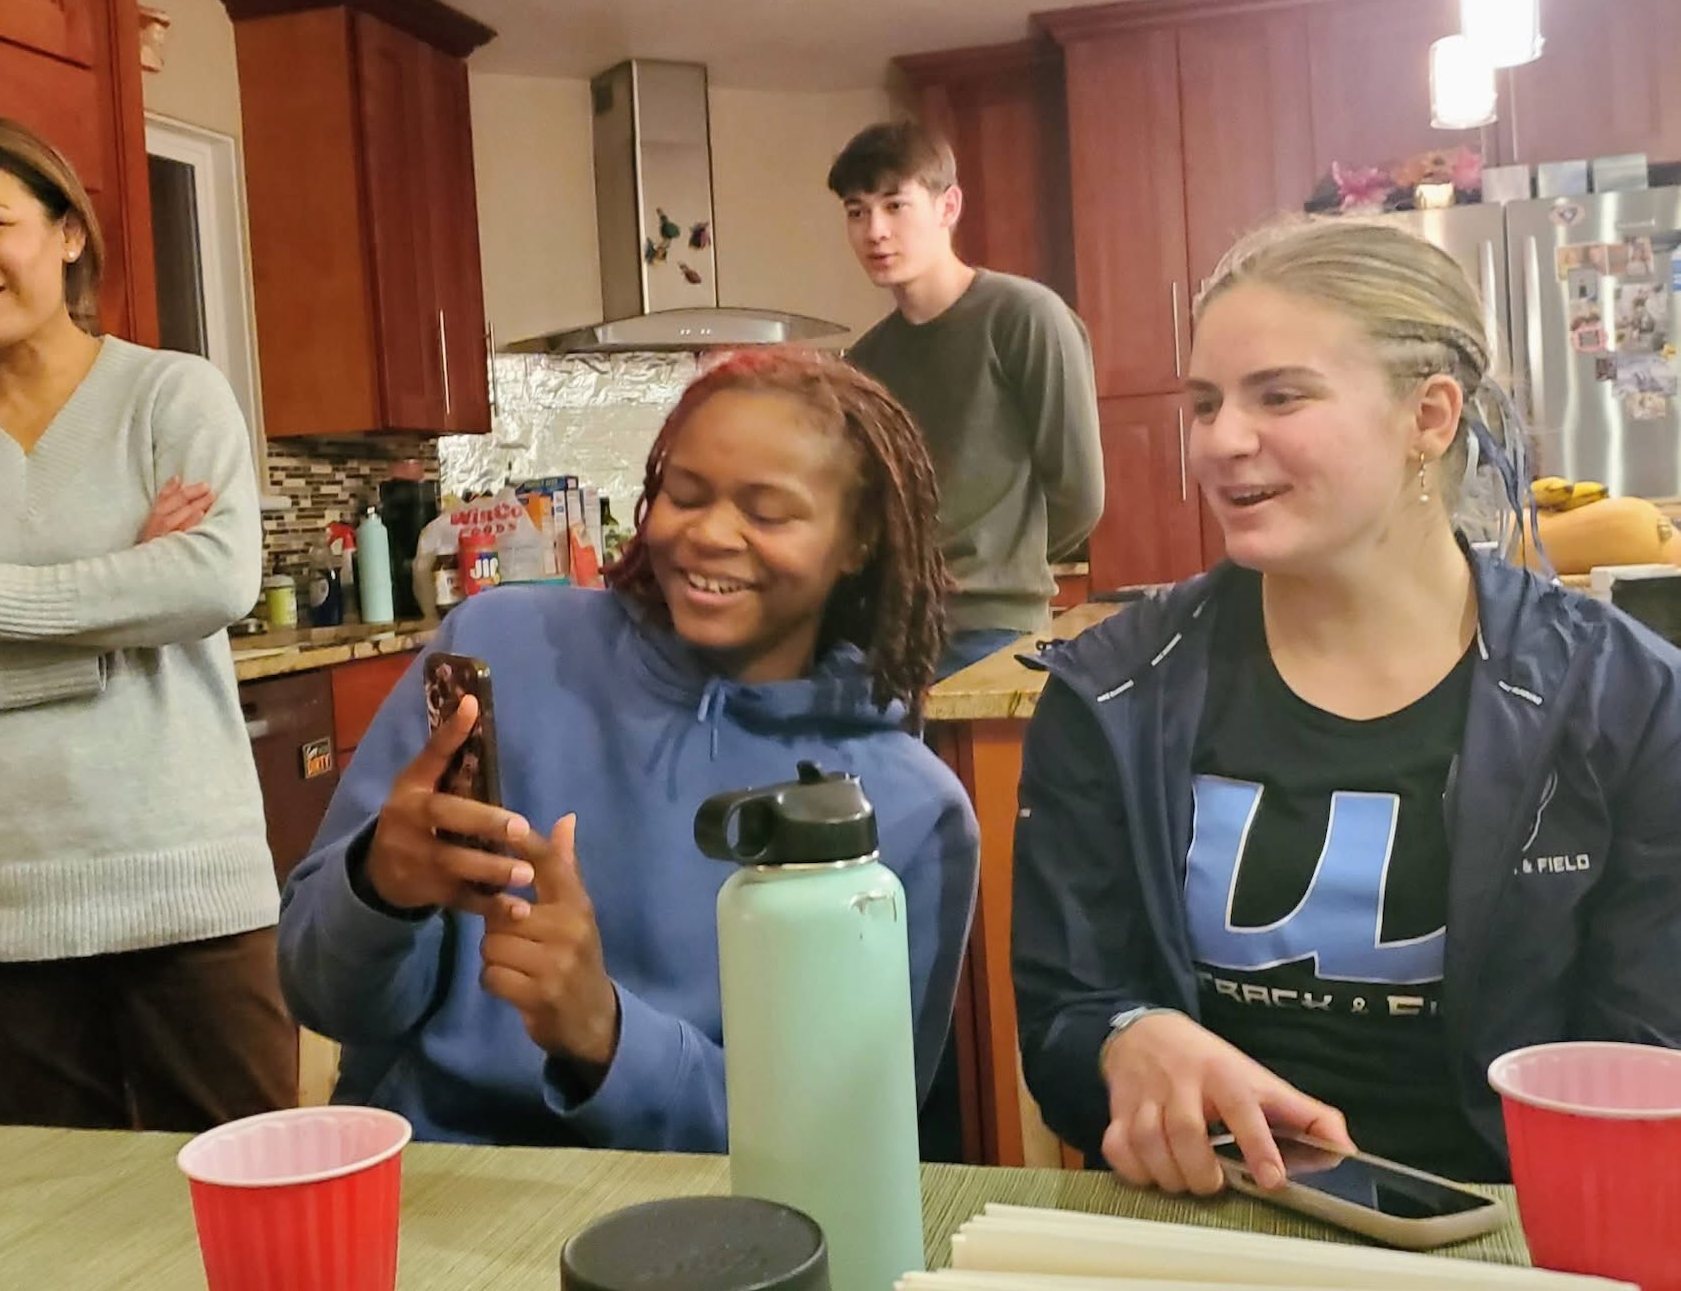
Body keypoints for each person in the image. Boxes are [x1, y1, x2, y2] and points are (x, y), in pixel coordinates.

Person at [1012, 216, 1681, 1193]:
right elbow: (1063, 1023)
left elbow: (1648, 1063)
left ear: (1429, 418)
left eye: (1280, 395)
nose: (1222, 441)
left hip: (1516, 1224)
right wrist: (1125, 1040)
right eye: (1206, 404)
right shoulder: (1112, 691)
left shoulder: (1625, 702)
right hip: (1209, 1216)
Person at [278, 348, 979, 1150]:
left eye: (768, 513)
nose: (709, 534)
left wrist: (606, 1036)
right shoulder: (498, 650)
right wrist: (380, 892)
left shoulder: (909, 811)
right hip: (434, 1185)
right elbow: (320, 996)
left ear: (859, 541)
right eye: (685, 495)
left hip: (713, 1214)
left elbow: (845, 1141)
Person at [0, 115, 292, 1130]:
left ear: (68, 233)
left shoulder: (172, 394)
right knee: (52, 1206)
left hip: (180, 872)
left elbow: (212, 581)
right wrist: (121, 611)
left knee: (245, 1177)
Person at [829, 120, 1103, 678]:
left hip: (993, 631)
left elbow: (1079, 495)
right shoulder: (864, 363)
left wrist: (1001, 566)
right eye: (857, 212)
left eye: (895, 205)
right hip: (894, 633)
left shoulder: (1026, 317)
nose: (875, 231)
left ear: (948, 207)